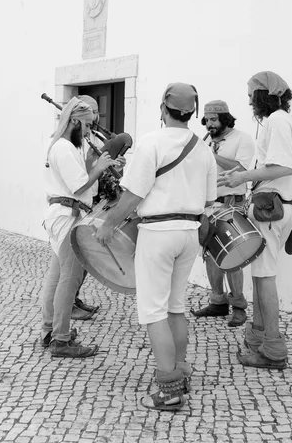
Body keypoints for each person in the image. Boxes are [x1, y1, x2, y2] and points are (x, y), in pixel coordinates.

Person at [95, 83, 217, 411]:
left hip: (158, 233)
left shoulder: (151, 142)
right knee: (176, 307)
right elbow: (208, 201)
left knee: (153, 311)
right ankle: (180, 370)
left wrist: (108, 225)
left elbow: (133, 194)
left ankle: (169, 390)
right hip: (188, 233)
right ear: (191, 112)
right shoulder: (203, 149)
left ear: (164, 109)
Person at [218, 71, 292, 369]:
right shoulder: (281, 121)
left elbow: (282, 167)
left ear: (262, 96)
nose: (249, 101)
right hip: (275, 206)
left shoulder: (277, 120)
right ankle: (257, 337)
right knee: (260, 275)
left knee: (265, 278)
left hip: (272, 209)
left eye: (251, 95)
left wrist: (242, 176)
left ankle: (273, 349)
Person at [41, 97, 121, 358]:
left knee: (56, 277)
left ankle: (50, 330)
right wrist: (99, 167)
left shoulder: (66, 146)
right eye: (86, 126)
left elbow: (78, 177)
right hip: (67, 216)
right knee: (70, 278)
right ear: (74, 121)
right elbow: (79, 186)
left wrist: (97, 164)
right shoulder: (63, 147)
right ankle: (61, 340)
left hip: (62, 213)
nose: (88, 131)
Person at [191, 100, 255, 326]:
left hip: (231, 204)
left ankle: (238, 306)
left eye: (213, 120)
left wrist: (211, 154)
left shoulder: (242, 139)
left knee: (234, 256)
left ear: (225, 119)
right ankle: (218, 302)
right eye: (206, 120)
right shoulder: (206, 140)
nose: (209, 124)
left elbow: (243, 170)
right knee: (210, 256)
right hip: (207, 205)